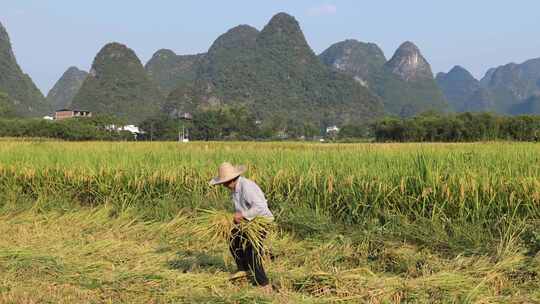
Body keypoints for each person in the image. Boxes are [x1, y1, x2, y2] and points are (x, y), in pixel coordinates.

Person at [209, 162, 273, 292]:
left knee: (252, 251)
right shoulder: (235, 188)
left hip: (260, 221)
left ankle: (264, 285)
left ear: (231, 180)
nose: (224, 186)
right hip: (246, 222)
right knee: (233, 239)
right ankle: (243, 269)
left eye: (225, 183)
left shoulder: (247, 187)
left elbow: (260, 207)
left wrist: (243, 215)